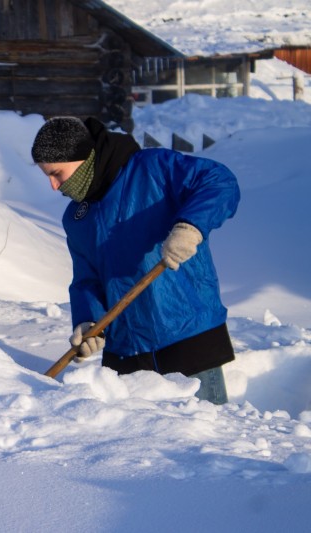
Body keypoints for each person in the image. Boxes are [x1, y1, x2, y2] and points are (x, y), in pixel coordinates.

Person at [31, 117, 240, 405]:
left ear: (82, 158)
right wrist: (88, 321)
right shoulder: (77, 217)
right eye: (47, 177)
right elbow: (87, 280)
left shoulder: (152, 168)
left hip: (187, 334)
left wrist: (190, 226)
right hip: (126, 353)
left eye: (57, 173)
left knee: (206, 439)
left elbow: (219, 181)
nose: (54, 186)